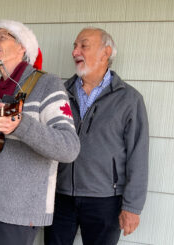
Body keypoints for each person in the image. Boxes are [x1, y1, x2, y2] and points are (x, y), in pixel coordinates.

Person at [0, 19, 80, 245]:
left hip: (20, 214)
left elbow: (69, 148)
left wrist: (21, 125)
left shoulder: (48, 85)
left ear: (23, 47)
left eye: (2, 37)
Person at [44, 27, 149, 245]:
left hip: (105, 201)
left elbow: (138, 156)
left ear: (106, 52)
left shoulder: (129, 99)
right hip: (60, 197)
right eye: (74, 46)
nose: (75, 52)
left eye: (83, 45)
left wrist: (132, 207)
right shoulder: (60, 93)